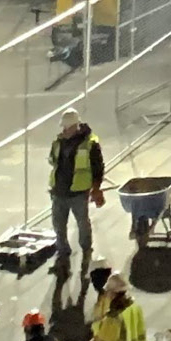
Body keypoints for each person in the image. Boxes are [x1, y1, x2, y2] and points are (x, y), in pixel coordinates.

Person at [48, 112, 108, 272]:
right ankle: (63, 252)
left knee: (82, 223)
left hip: (78, 193)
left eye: (66, 127)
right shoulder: (58, 142)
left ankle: (86, 249)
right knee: (58, 224)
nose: (64, 130)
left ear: (75, 126)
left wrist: (96, 189)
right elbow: (53, 162)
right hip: (59, 192)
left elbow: (98, 168)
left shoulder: (89, 144)